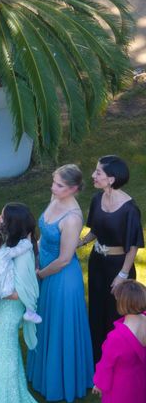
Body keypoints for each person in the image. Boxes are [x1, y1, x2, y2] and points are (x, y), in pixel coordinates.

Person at [27, 164, 94, 402]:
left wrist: (40, 275)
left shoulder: (73, 218)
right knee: (46, 323)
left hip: (61, 279)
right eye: (53, 182)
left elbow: (65, 259)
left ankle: (62, 382)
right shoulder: (55, 198)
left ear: (74, 189)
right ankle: (44, 373)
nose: (53, 187)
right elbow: (45, 233)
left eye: (59, 185)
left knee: (59, 327)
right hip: (44, 266)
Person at [79, 155, 144, 362]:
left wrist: (123, 275)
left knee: (115, 313)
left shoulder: (130, 209)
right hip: (97, 263)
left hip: (118, 267)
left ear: (112, 179)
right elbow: (95, 231)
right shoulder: (97, 199)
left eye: (98, 172)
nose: (93, 175)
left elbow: (132, 246)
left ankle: (118, 359)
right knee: (97, 310)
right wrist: (77, 244)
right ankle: (97, 360)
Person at [0, 203, 41, 403]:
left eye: (2, 217)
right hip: (3, 309)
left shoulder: (23, 254)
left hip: (10, 310)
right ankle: (15, 399)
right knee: (6, 351)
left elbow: (20, 292)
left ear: (13, 225)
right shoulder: (15, 245)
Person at [93, 280, 146, 403]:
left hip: (120, 389)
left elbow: (106, 366)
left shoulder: (116, 338)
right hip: (141, 380)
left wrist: (99, 384)